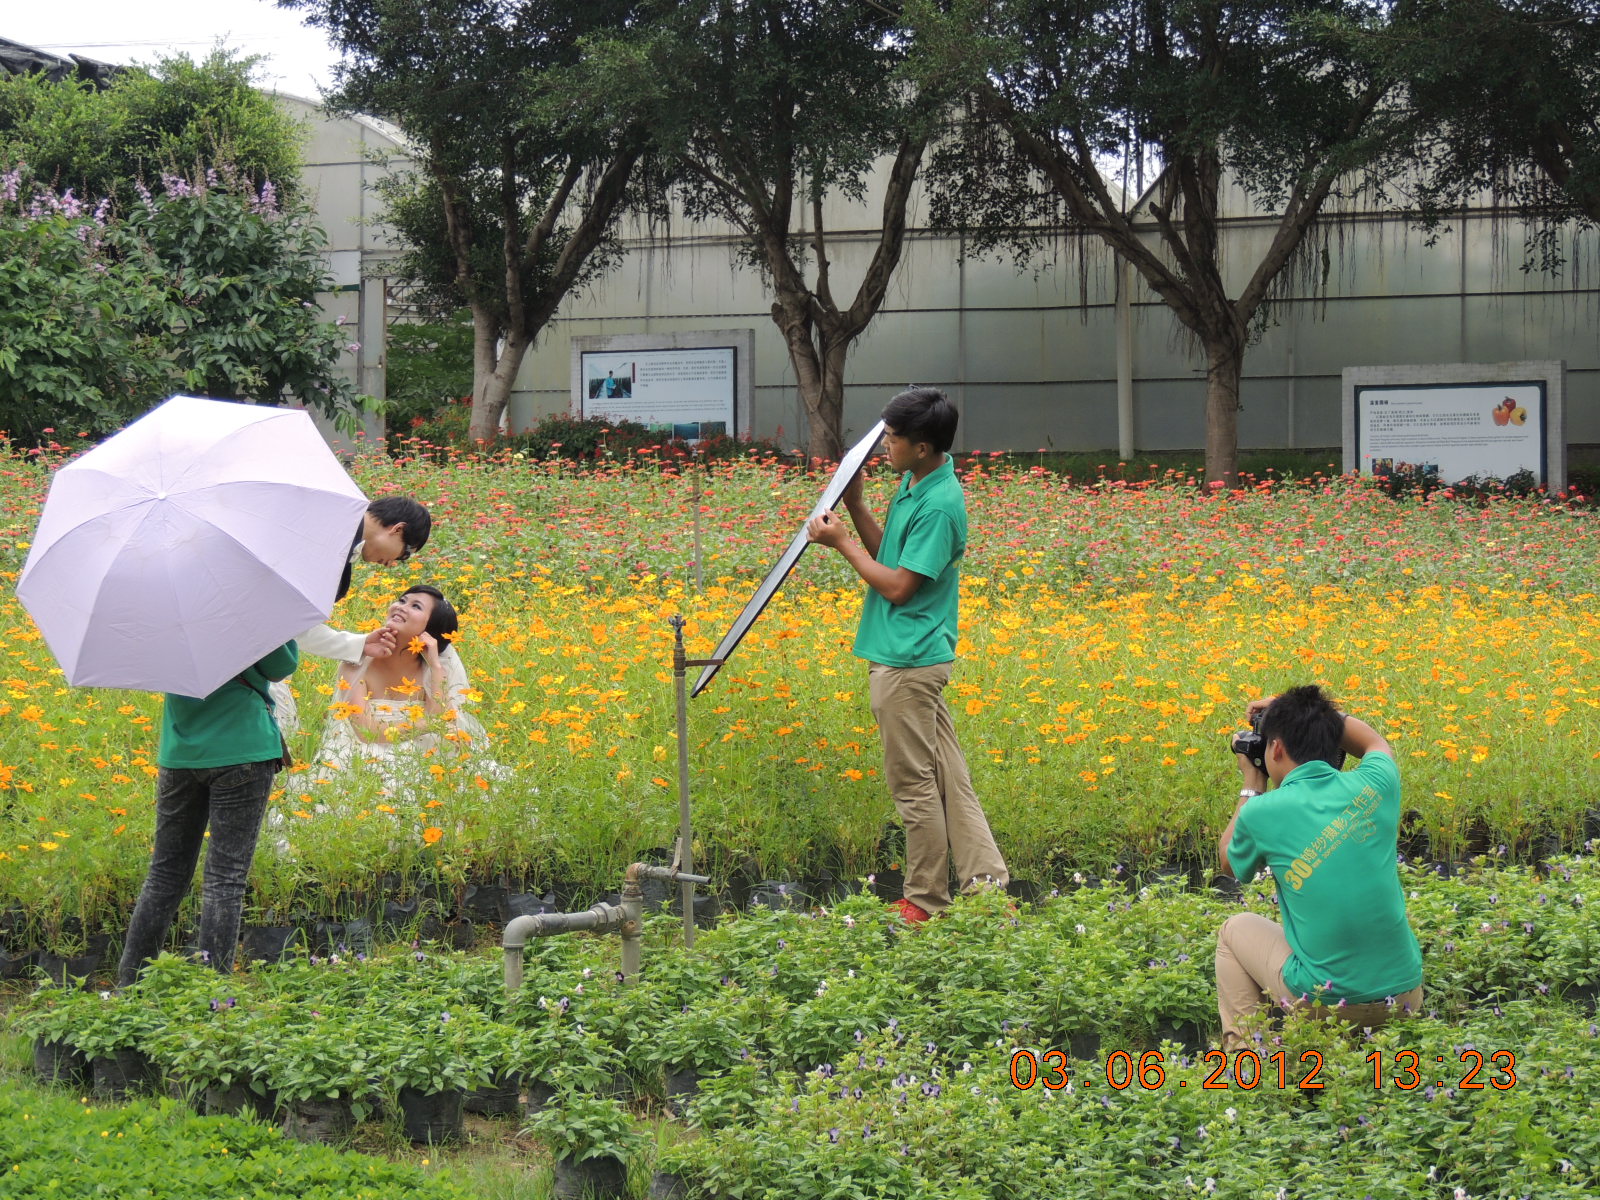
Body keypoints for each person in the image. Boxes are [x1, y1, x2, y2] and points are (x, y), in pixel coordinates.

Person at [806, 387, 1008, 922]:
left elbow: (899, 587)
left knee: (914, 787)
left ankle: (925, 901)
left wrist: (841, 544)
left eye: (893, 439)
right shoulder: (914, 482)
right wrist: (854, 506)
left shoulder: (941, 505)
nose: (884, 447)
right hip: (907, 656)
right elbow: (891, 556)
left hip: (909, 663)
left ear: (923, 447)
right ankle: (988, 891)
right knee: (949, 780)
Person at [1215, 686, 1424, 1051]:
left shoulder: (1263, 811)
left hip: (1325, 1002)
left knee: (1234, 929)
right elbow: (1373, 741)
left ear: (1276, 748)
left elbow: (1230, 863)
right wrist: (1316, 718)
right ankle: (1367, 1055)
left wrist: (1252, 783)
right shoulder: (1376, 783)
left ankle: (1247, 1060)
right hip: (1405, 995)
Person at [117, 641, 299, 985]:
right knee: (225, 878)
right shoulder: (246, 608)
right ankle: (213, 996)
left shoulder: (167, 614)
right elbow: (280, 666)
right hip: (242, 748)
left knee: (165, 875)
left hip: (180, 753)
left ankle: (130, 985)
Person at [315, 584, 485, 778]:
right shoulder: (355, 664)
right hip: (365, 755)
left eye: (416, 606)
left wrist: (436, 667)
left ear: (430, 630)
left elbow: (443, 721)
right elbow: (365, 733)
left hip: (423, 757)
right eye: (402, 600)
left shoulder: (436, 669)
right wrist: (426, 724)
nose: (401, 607)